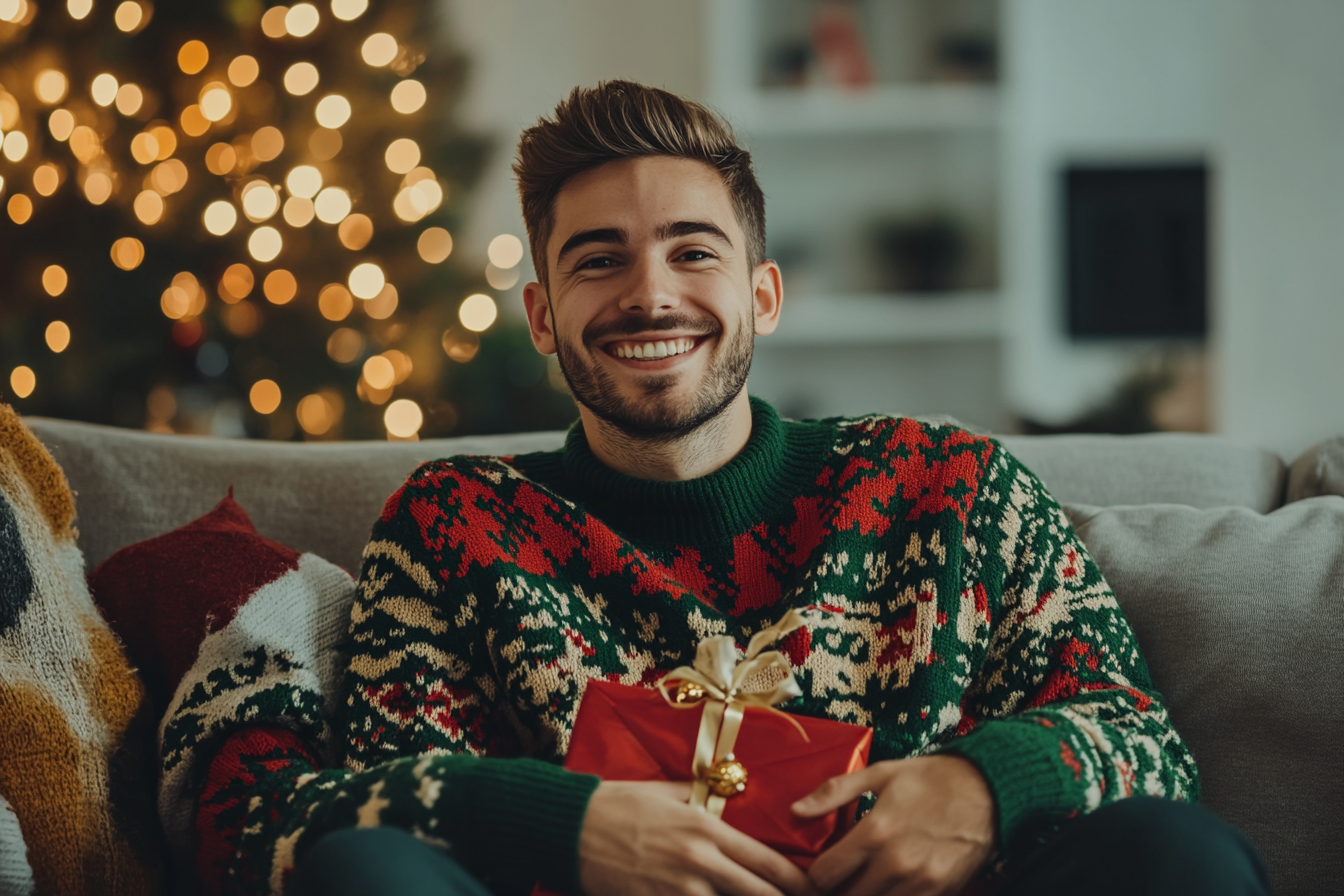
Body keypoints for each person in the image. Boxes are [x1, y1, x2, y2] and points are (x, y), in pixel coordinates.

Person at [197, 81, 1271, 896]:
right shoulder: (456, 526)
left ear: (763, 294)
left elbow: (1145, 742)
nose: (650, 294)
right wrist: (562, 823)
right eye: (598, 260)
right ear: (542, 316)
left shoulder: (951, 486)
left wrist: (986, 785)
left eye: (692, 252)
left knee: (1174, 851)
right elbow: (351, 821)